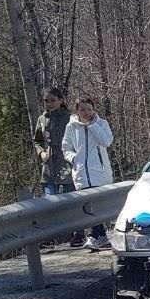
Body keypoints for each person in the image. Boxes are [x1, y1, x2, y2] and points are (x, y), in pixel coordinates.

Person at [62, 98, 114, 250]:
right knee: (87, 205)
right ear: (77, 110)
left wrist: (92, 126)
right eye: (83, 109)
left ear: (93, 110)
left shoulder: (101, 123)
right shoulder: (71, 126)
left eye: (89, 109)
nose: (86, 112)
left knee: (97, 204)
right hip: (81, 172)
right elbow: (66, 147)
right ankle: (98, 236)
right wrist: (74, 158)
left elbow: (106, 142)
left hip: (99, 171)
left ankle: (97, 235)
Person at [34, 88, 83, 246]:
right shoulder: (42, 119)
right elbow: (37, 140)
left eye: (53, 100)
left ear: (61, 100)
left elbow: (78, 140)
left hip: (67, 164)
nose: (49, 104)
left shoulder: (70, 118)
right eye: (46, 101)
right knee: (49, 204)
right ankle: (50, 236)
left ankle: (78, 234)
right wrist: (41, 152)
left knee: (71, 201)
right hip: (49, 167)